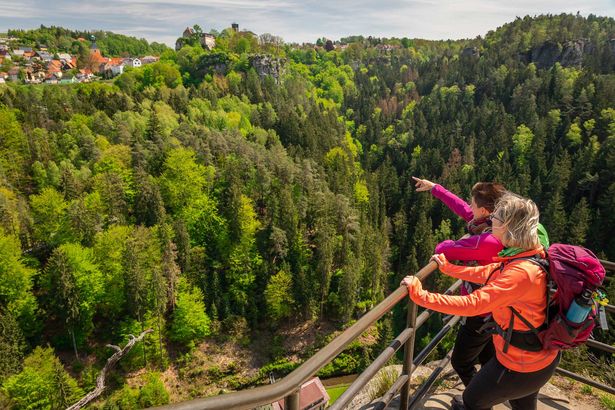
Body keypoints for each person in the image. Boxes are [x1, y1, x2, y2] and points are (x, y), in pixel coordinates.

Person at [401, 193, 560, 410]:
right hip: (536, 360)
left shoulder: (521, 272)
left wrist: (420, 295)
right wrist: (450, 269)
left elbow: (472, 304)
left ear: (506, 226)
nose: (491, 219)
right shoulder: (529, 254)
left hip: (520, 365)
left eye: (495, 216)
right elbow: (489, 272)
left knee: (469, 402)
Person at [412, 177, 506, 386]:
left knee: (460, 362)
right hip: (495, 306)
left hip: (480, 311)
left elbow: (443, 249)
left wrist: (462, 242)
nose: (469, 206)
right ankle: (489, 394)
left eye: (473, 203)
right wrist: (436, 188)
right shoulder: (494, 224)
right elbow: (462, 207)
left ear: (483, 210)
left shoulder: (487, 240)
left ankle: (477, 402)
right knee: (487, 357)